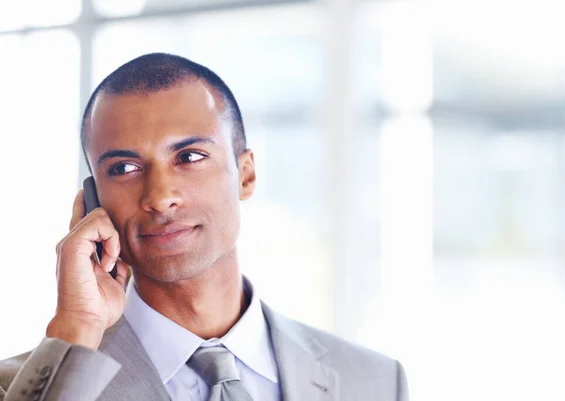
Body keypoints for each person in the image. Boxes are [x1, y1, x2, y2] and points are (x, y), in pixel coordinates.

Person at [0, 53, 408, 401]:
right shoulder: (19, 388)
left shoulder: (373, 382)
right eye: (124, 168)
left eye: (190, 157)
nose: (160, 197)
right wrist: (77, 328)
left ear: (245, 175)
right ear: (92, 200)